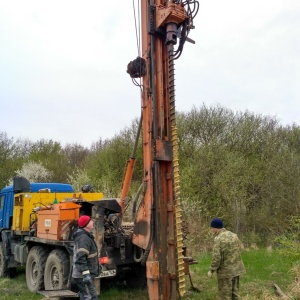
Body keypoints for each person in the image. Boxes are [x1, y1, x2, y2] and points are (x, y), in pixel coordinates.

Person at [208, 218, 246, 300]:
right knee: (235, 293)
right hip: (236, 269)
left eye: (211, 228)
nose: (211, 230)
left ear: (215, 228)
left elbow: (216, 257)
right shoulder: (234, 235)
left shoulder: (218, 239)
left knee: (225, 295)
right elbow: (240, 248)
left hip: (225, 271)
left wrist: (211, 270)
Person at [72, 215, 100, 300]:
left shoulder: (85, 236)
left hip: (82, 275)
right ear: (87, 225)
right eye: (91, 221)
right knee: (91, 297)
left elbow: (88, 256)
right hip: (83, 276)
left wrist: (97, 265)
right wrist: (86, 274)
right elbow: (81, 258)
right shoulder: (84, 238)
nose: (93, 222)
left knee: (85, 296)